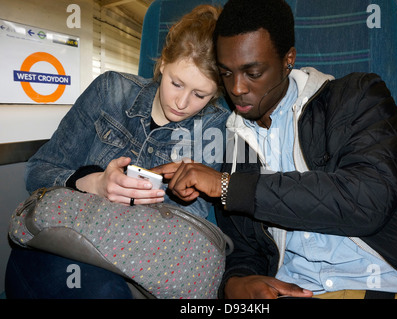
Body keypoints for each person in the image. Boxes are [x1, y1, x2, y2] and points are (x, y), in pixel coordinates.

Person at [153, 0, 397, 299]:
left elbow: (367, 199)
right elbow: (245, 250)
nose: (237, 88)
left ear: (288, 59)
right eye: (226, 73)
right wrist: (236, 283)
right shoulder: (232, 142)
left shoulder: (356, 97)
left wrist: (228, 187)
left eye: (252, 73)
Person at [5, 4, 229, 299]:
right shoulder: (110, 91)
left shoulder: (215, 128)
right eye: (176, 83)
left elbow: (185, 236)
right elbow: (38, 171)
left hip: (140, 268)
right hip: (61, 244)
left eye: (200, 95)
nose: (182, 102)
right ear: (162, 63)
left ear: (215, 95)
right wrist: (92, 183)